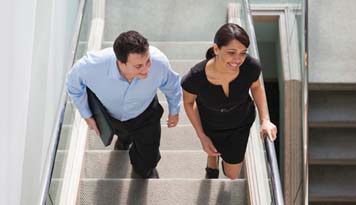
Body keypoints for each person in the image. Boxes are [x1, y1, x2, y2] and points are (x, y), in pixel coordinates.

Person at [66, 30, 182, 178]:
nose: (147, 69)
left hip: (146, 115)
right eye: (138, 66)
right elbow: (73, 87)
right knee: (123, 136)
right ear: (120, 62)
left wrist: (174, 110)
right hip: (111, 116)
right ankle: (123, 141)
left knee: (148, 158)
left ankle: (144, 170)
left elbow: (172, 85)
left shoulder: (159, 62)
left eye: (147, 61)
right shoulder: (90, 66)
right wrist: (87, 116)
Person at [181, 23, 277, 179]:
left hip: (240, 123)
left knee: (232, 175)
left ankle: (216, 154)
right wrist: (201, 135)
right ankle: (212, 156)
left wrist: (265, 119)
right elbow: (188, 103)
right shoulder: (195, 78)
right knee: (212, 149)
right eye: (231, 52)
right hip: (210, 124)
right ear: (216, 49)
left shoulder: (250, 67)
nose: (238, 59)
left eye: (243, 53)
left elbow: (257, 88)